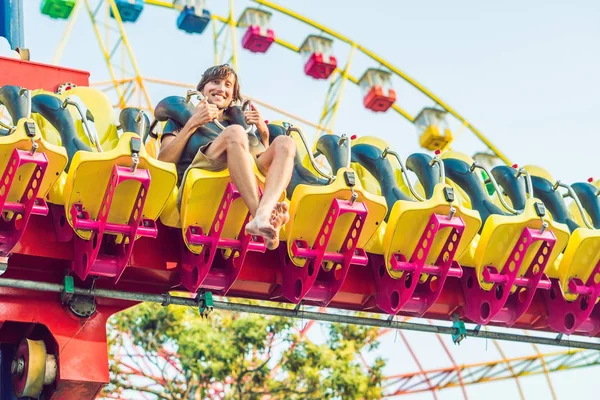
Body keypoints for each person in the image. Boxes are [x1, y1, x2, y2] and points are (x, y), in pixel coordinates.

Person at [158, 64, 295, 250]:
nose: (221, 89)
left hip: (240, 175)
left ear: (233, 95)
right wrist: (193, 123)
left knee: (286, 142)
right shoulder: (183, 116)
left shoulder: (238, 122)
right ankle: (261, 215)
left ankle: (264, 213)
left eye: (228, 85)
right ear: (202, 88)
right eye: (215, 82)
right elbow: (164, 161)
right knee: (235, 133)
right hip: (199, 178)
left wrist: (264, 135)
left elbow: (256, 163)